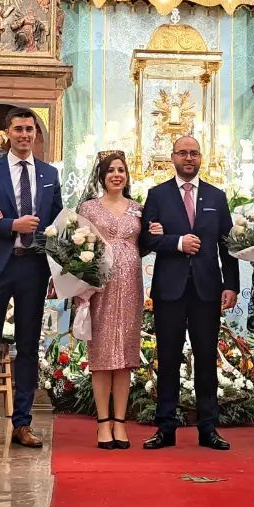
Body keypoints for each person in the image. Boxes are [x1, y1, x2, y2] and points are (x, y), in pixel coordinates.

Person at [0, 107, 62, 449]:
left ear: (36, 134)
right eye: (18, 129)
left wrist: (59, 267)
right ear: (8, 132)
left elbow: (58, 225)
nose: (24, 135)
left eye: (30, 130)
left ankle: (23, 423)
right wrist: (8, 225)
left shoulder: (49, 175)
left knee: (29, 348)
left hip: (33, 268)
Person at [138, 135, 239, 450]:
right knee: (167, 359)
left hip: (207, 290)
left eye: (194, 153)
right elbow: (144, 241)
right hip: (169, 289)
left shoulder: (216, 196)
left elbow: (228, 245)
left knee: (207, 360)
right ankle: (166, 428)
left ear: (201, 158)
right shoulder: (157, 195)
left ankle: (208, 428)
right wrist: (177, 242)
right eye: (182, 153)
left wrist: (231, 284)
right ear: (172, 157)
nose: (188, 158)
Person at [76, 151, 143, 450]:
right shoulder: (88, 208)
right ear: (102, 176)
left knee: (126, 355)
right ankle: (103, 423)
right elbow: (75, 246)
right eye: (111, 170)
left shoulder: (139, 209)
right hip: (99, 286)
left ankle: (120, 421)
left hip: (131, 285)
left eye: (121, 170)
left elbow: (148, 243)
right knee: (102, 354)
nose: (117, 174)